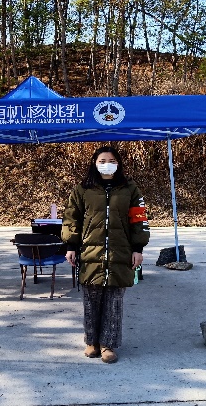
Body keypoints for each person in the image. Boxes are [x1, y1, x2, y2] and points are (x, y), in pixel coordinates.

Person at [62, 145, 149, 364]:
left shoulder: (130, 189)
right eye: (102, 161)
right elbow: (72, 218)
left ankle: (108, 345)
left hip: (121, 253)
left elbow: (139, 220)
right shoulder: (82, 189)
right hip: (90, 253)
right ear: (94, 163)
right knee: (91, 300)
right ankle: (92, 342)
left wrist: (138, 249)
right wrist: (71, 246)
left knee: (114, 301)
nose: (107, 165)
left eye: (111, 161)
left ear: (118, 164)